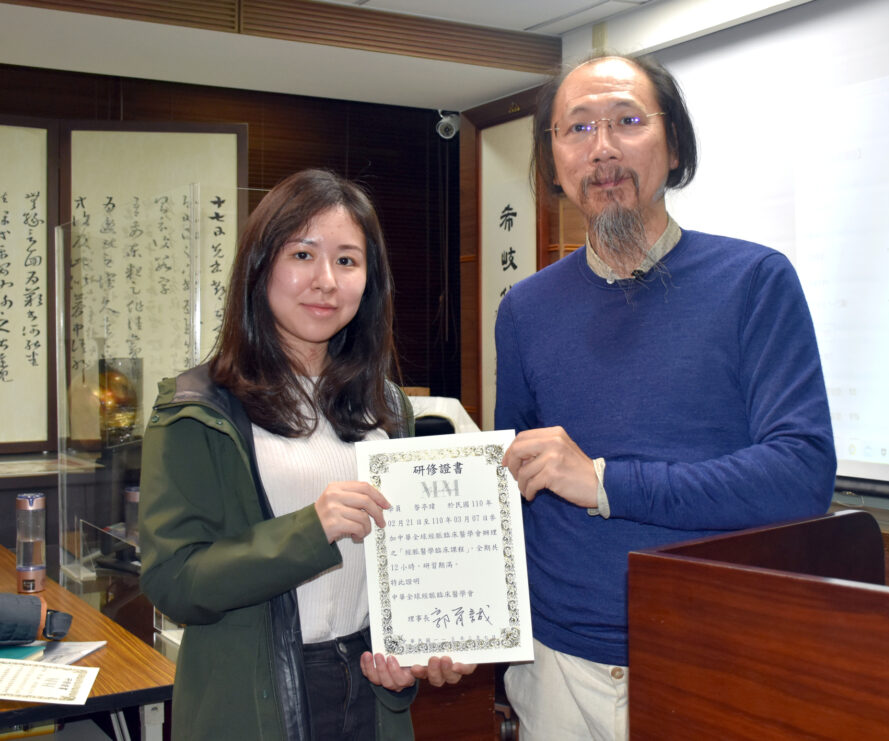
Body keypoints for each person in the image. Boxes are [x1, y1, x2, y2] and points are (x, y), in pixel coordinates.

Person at [495, 54, 837, 740]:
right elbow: (511, 489)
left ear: (674, 144)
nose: (602, 149)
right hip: (556, 665)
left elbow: (802, 473)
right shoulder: (524, 309)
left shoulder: (755, 281)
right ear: (553, 161)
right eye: (577, 128)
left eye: (627, 121)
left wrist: (605, 482)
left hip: (713, 656)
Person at [140, 169, 473, 741]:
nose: (326, 281)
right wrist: (310, 530)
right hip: (253, 703)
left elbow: (401, 570)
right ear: (259, 266)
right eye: (302, 254)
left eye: (347, 260)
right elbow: (174, 582)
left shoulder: (388, 405)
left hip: (369, 697)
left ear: (369, 280)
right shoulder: (198, 408)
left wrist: (413, 653)